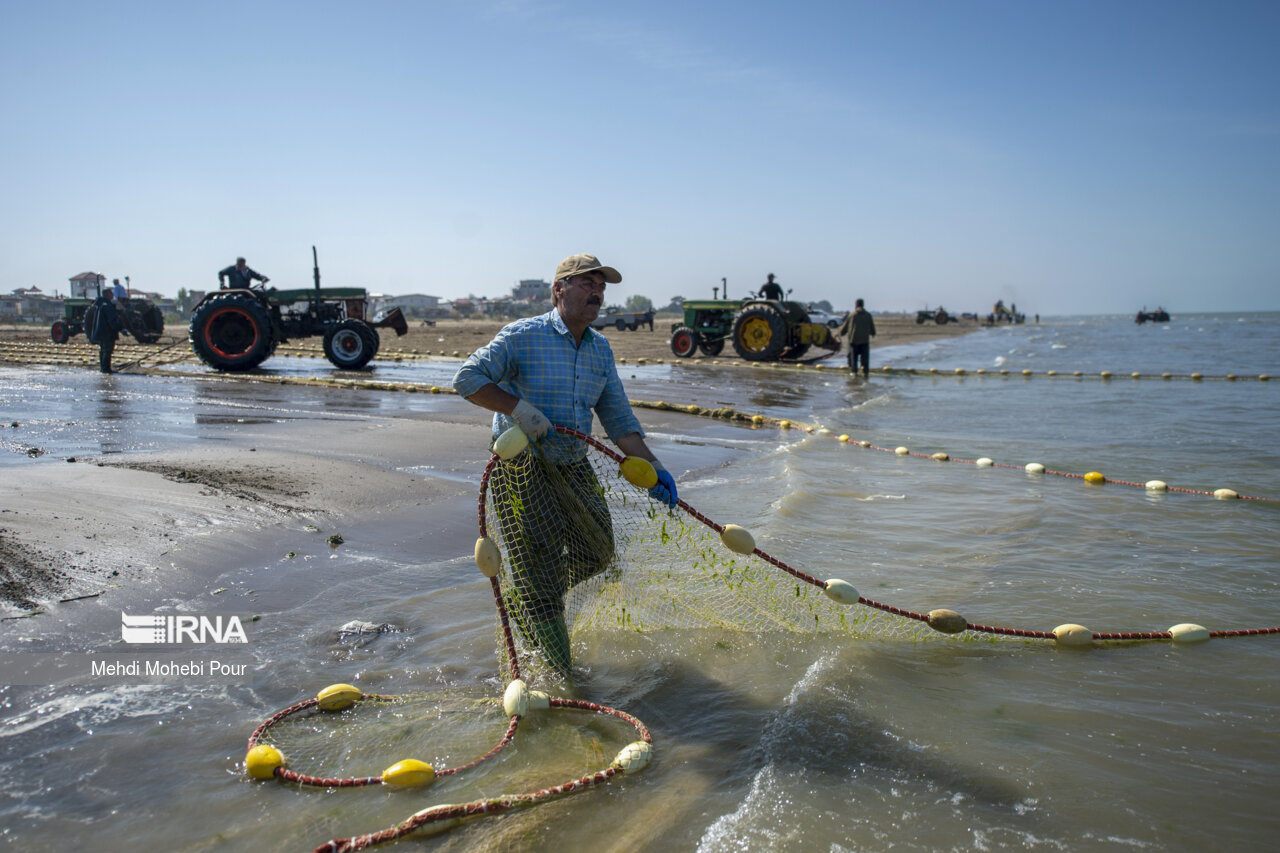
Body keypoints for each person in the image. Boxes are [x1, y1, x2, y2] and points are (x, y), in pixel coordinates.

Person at [454, 253, 677, 676]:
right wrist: (519, 409)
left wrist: (654, 467)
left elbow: (618, 421)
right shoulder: (522, 336)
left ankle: (534, 599)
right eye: (587, 284)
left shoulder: (600, 349)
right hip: (522, 468)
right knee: (538, 567)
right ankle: (567, 678)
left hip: (573, 464)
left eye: (601, 287)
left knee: (598, 551)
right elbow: (467, 378)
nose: (597, 293)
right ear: (559, 289)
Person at [838, 298, 876, 378]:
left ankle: (854, 373)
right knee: (865, 359)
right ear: (863, 305)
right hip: (864, 340)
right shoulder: (868, 315)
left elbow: (845, 327)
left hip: (854, 340)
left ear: (856, 305)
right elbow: (872, 327)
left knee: (854, 358)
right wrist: (873, 333)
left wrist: (840, 334)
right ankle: (865, 373)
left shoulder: (852, 315)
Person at [92, 291, 124, 374]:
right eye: (111, 294)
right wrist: (119, 328)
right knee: (107, 350)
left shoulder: (99, 305)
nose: (113, 295)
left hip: (100, 332)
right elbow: (112, 321)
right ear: (107, 295)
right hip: (107, 332)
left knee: (102, 350)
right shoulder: (108, 306)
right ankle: (106, 369)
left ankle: (103, 367)